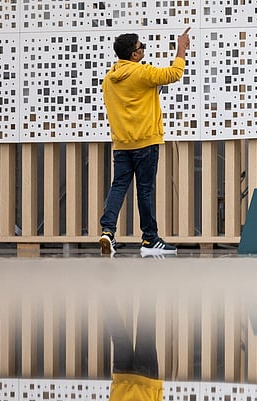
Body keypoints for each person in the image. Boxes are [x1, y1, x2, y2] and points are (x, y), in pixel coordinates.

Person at [98, 29, 191, 257]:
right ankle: (150, 239)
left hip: (122, 144)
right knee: (145, 190)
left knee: (118, 186)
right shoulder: (142, 73)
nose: (143, 50)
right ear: (134, 54)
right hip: (146, 142)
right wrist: (181, 47)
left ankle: (108, 231)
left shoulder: (109, 80)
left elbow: (131, 100)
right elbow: (174, 74)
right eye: (142, 48)